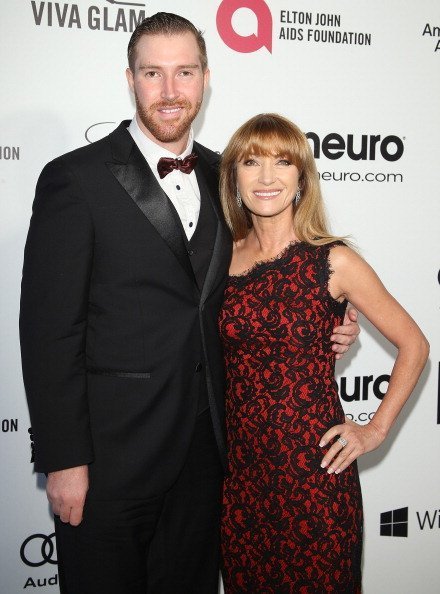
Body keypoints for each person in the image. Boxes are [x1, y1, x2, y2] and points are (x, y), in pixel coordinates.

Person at [19, 14, 359, 594]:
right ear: (130, 79)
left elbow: (261, 276)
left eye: (185, 73)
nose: (170, 91)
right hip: (109, 461)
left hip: (210, 458)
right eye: (154, 73)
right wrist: (64, 460)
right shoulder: (75, 179)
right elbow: (49, 331)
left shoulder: (227, 174)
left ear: (205, 79)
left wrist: (326, 320)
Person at [218, 113, 429, 593]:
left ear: (301, 179)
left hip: (315, 479)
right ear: (234, 177)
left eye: (282, 162)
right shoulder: (218, 259)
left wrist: (374, 430)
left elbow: (414, 344)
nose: (267, 177)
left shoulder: (333, 260)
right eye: (251, 162)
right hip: (241, 486)